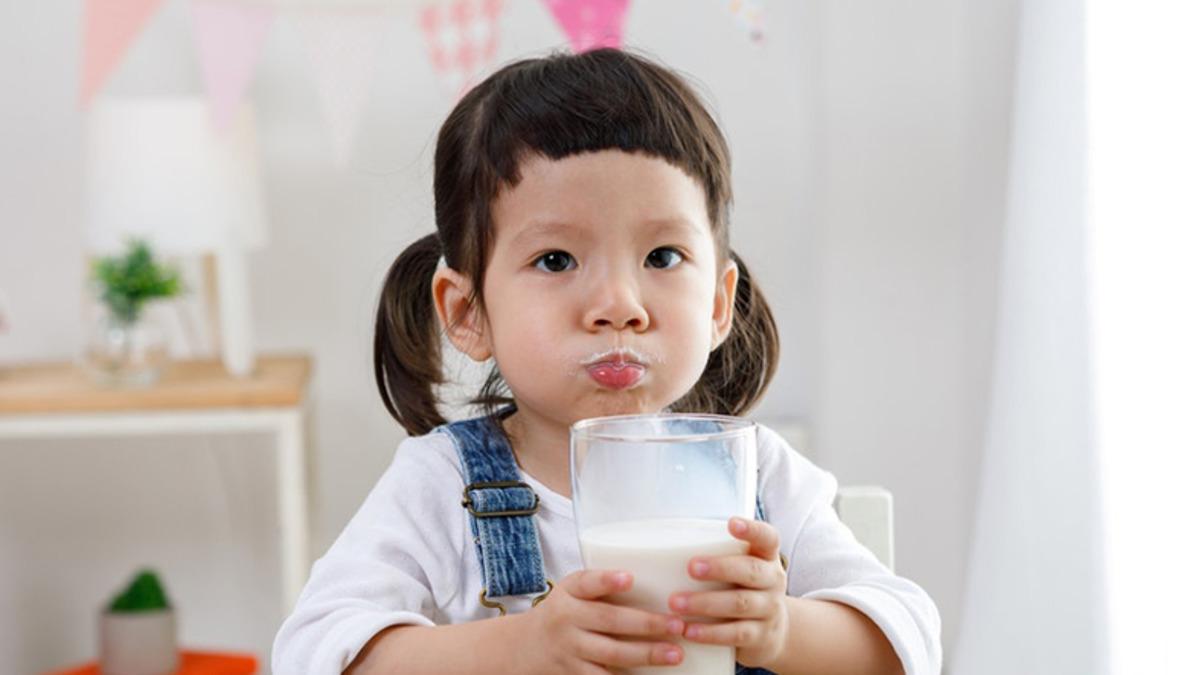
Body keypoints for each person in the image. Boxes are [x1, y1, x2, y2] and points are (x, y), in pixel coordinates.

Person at [273, 48, 941, 675]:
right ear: (467, 312)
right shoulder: (440, 485)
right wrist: (518, 645)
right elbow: (312, 651)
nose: (619, 305)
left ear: (717, 302)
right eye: (556, 260)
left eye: (662, 257)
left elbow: (908, 639)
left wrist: (782, 627)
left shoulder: (757, 474)